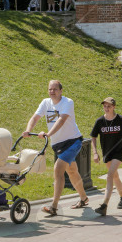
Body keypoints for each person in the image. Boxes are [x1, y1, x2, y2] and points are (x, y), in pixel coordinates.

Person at [23, 80, 89, 216]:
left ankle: (54, 206)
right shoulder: (45, 103)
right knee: (72, 171)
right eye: (50, 89)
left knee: (58, 170)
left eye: (55, 89)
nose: (52, 91)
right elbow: (35, 118)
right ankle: (84, 198)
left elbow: (61, 120)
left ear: (61, 90)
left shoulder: (68, 102)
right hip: (58, 144)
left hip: (73, 142)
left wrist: (48, 134)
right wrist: (28, 130)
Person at [90, 97, 122, 216]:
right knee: (115, 176)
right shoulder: (100, 121)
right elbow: (93, 137)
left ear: (114, 107)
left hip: (118, 152)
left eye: (109, 106)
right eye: (105, 106)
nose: (106, 108)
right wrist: (95, 152)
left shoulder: (121, 120)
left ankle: (104, 205)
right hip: (107, 152)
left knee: (109, 176)